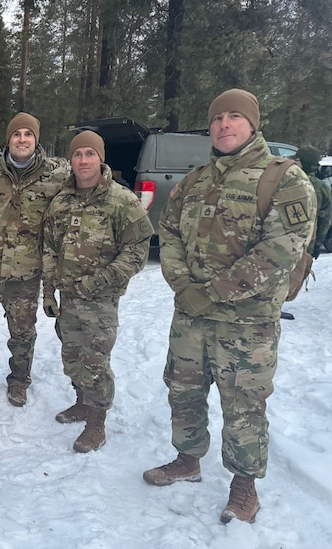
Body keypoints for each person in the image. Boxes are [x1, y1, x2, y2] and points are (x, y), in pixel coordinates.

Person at [143, 89, 316, 524]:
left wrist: (213, 292)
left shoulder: (284, 179)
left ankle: (244, 487)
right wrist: (182, 284)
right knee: (183, 391)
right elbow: (169, 233)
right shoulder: (195, 180)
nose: (224, 124)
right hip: (191, 316)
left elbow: (279, 252)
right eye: (218, 117)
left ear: (253, 125)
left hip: (247, 323)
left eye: (235, 116)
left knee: (243, 403)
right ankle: (187, 459)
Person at [42, 130, 153, 453]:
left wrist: (100, 281)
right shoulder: (62, 201)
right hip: (67, 299)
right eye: (77, 155)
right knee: (72, 357)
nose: (83, 160)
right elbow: (49, 247)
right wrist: (48, 292)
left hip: (100, 302)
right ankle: (82, 402)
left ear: (100, 158)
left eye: (90, 154)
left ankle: (96, 424)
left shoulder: (121, 200)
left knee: (95, 362)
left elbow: (136, 251)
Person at [0, 113, 70, 406]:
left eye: (28, 134)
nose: (22, 139)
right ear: (7, 140)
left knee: (22, 333)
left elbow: (86, 182)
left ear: (36, 140)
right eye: (16, 134)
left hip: (26, 271)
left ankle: (19, 381)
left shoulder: (57, 175)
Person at [293, 146, 332, 258]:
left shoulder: (289, 180)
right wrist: (318, 243)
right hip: (306, 243)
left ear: (303, 163)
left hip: (287, 243)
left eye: (296, 160)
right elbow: (326, 220)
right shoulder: (323, 187)